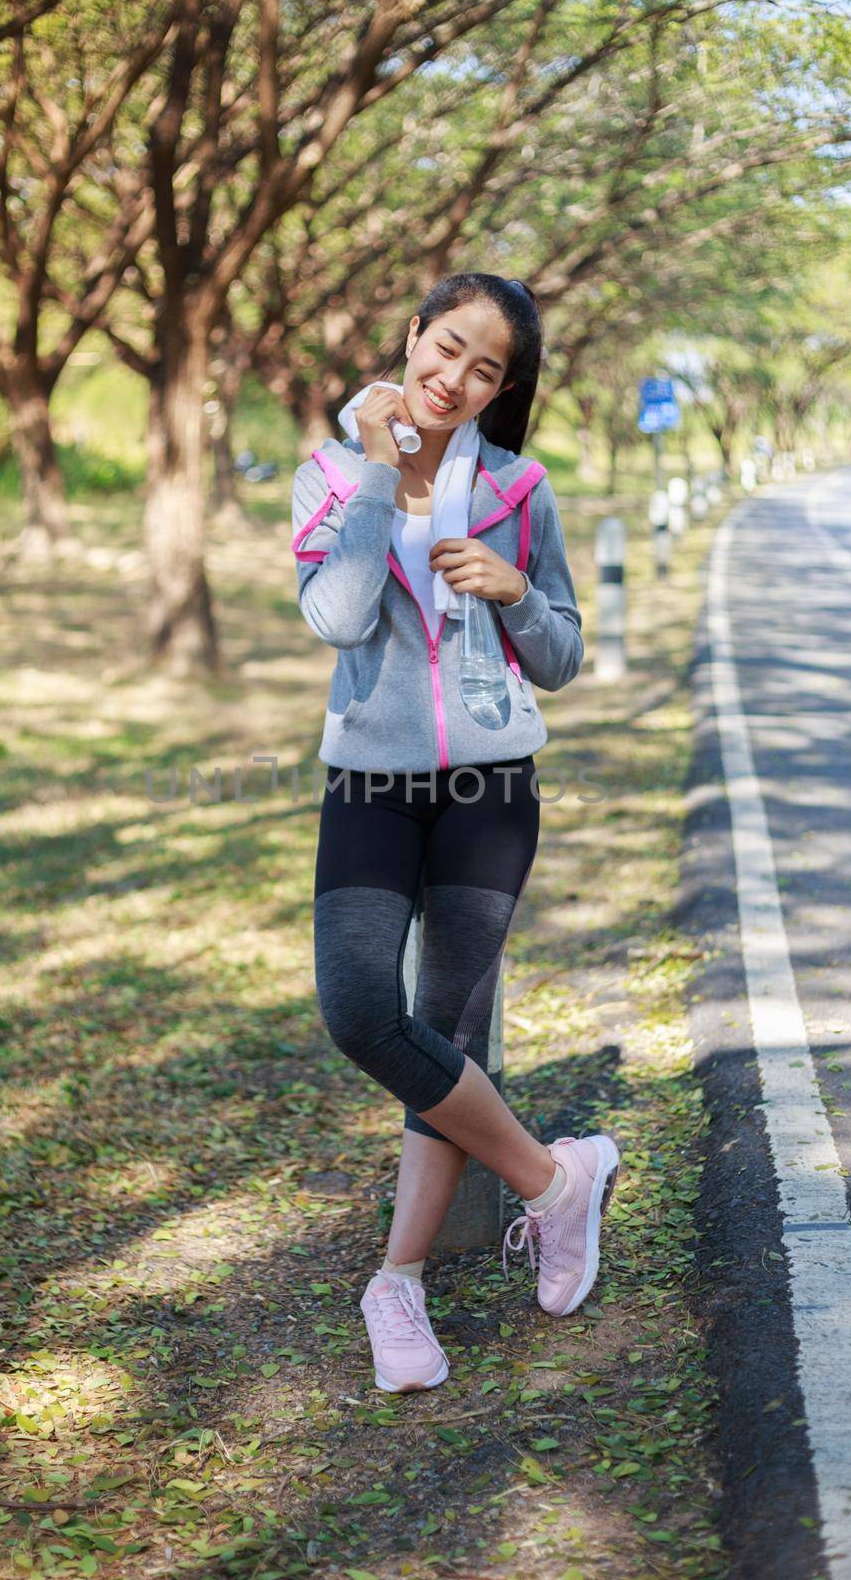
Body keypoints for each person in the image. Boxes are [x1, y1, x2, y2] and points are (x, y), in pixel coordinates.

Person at [290, 272, 620, 1394]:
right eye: (446, 349)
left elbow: (563, 656)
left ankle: (398, 1283)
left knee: (447, 1033)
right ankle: (552, 1179)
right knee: (359, 1010)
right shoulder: (330, 476)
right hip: (368, 790)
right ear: (412, 338)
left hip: (490, 789)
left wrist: (516, 590)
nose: (455, 379)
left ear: (503, 387)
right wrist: (382, 471)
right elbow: (335, 615)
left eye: (486, 369)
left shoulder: (521, 489)